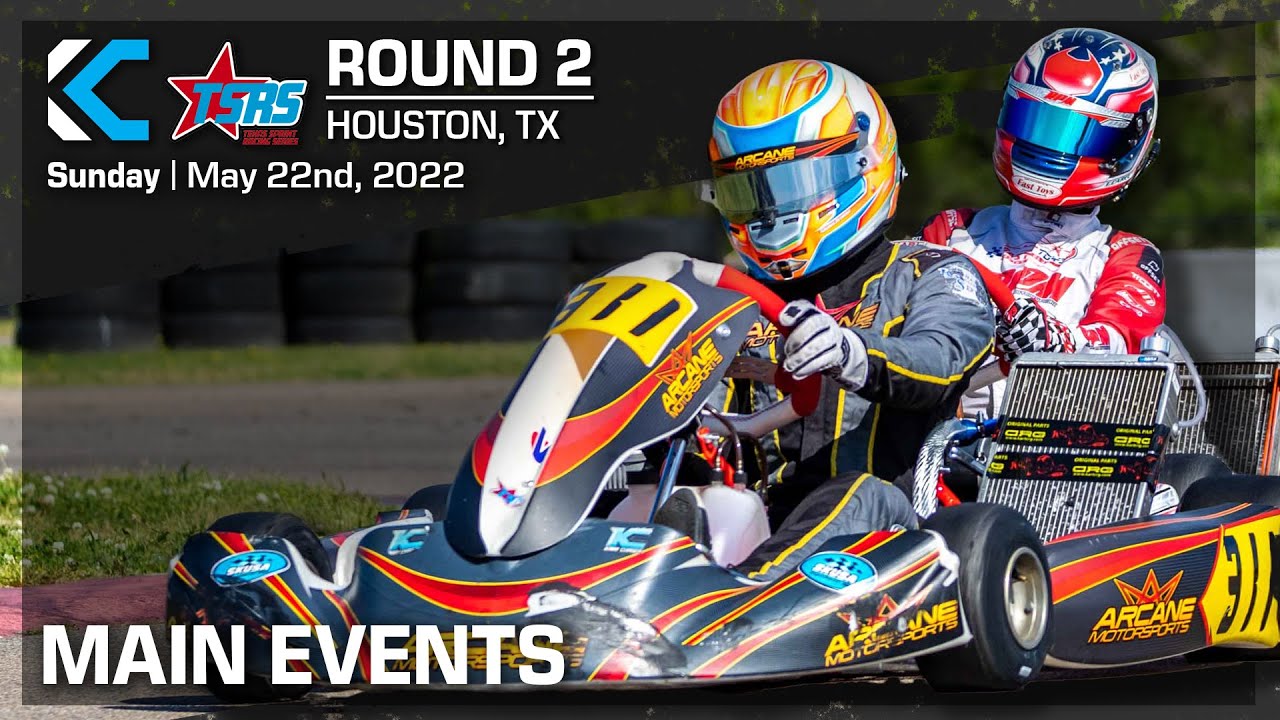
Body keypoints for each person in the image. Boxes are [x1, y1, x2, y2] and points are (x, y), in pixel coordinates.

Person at [699, 59, 995, 582]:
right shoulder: (730, 298)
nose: (771, 212)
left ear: (865, 163)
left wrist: (851, 352)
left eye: (795, 184)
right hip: (753, 519)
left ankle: (733, 598)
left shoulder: (933, 271)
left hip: (896, 534)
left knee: (856, 492)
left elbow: (940, 359)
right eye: (752, 192)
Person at [917, 28, 1167, 417]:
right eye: (1037, 124)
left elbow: (1117, 346)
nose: (1051, 149)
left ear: (1125, 147)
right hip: (935, 434)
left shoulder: (1126, 256)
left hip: (1052, 436)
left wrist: (1055, 342)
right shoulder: (954, 230)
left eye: (1078, 136)